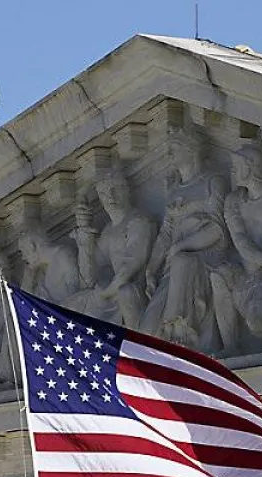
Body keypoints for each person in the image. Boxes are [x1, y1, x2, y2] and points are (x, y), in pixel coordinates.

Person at [142, 129, 229, 349]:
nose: (169, 156)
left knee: (182, 261)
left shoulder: (213, 182)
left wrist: (181, 247)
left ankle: (181, 339)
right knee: (147, 329)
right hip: (173, 267)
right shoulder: (173, 192)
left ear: (190, 150)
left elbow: (218, 230)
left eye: (174, 150)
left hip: (206, 259)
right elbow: (165, 235)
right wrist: (152, 268)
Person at [213, 143, 262, 354]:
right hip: (246, 271)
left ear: (252, 168)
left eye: (237, 165)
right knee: (219, 275)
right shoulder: (234, 201)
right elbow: (240, 239)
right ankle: (231, 344)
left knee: (258, 322)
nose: (232, 171)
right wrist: (260, 257)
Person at [73, 169, 156, 328]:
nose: (110, 196)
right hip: (111, 294)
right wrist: (84, 232)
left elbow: (132, 264)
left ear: (127, 190)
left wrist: (106, 292)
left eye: (114, 189)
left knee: (125, 292)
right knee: (72, 307)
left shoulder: (139, 222)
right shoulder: (108, 231)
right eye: (103, 193)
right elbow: (88, 279)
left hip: (135, 289)